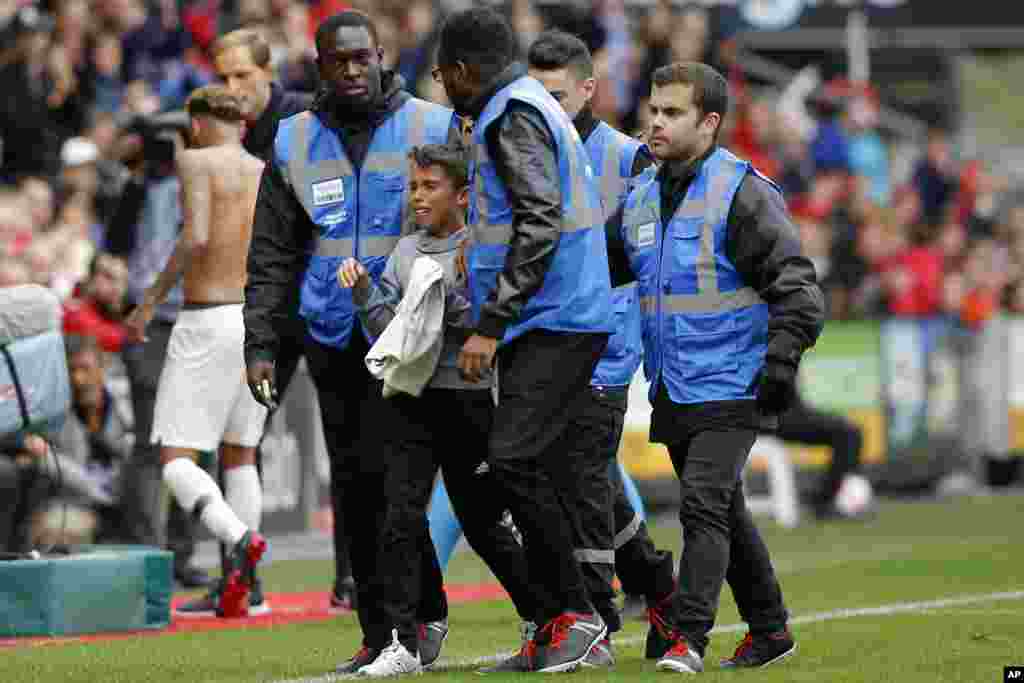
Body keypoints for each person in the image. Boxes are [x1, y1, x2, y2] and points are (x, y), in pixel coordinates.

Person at [242, 10, 458, 670]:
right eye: (339, 61)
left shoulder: (431, 125)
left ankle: (414, 620)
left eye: (363, 57)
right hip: (331, 335)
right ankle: (382, 629)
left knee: (397, 487)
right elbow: (272, 251)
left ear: (383, 55)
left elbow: (466, 220)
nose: (353, 69)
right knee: (357, 488)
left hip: (409, 333)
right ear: (319, 66)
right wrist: (260, 343)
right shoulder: (293, 138)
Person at [604, 62, 825, 673]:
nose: (655, 122)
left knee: (702, 505)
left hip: (734, 382)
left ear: (709, 123)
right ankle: (771, 631)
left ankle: (689, 637)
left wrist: (780, 362)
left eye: (672, 113)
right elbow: (597, 267)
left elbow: (799, 289)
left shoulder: (743, 192)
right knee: (724, 508)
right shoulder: (642, 196)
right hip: (674, 386)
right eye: (653, 109)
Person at [434, 7, 614, 673]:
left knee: (510, 459)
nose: (443, 87)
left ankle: (577, 617)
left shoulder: (511, 113)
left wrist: (490, 322)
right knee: (536, 464)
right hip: (556, 311)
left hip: (555, 314)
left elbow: (538, 220)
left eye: (443, 75)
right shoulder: (528, 105)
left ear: (460, 70)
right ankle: (559, 623)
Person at [336, 143, 539, 677]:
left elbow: (488, 323)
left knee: (482, 523)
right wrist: (362, 296)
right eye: (414, 187)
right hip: (411, 397)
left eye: (431, 187)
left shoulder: (480, 248)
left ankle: (540, 616)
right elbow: (390, 333)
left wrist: (452, 305)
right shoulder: (405, 252)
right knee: (400, 514)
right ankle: (409, 638)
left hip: (467, 398)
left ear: (463, 195)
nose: (419, 197)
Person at [523, 29, 681, 667]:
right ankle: (658, 587)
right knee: (583, 481)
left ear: (589, 89)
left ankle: (592, 625)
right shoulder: (525, 150)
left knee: (579, 484)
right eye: (535, 94)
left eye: (557, 95)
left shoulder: (627, 158)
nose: (546, 107)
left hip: (606, 348)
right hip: (543, 341)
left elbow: (649, 259)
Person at [206, 26, 361, 611]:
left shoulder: (303, 121)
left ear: (268, 73)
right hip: (269, 306)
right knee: (243, 439)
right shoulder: (221, 135)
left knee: (346, 440)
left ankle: (352, 578)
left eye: (242, 75)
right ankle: (240, 578)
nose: (232, 88)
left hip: (320, 303)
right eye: (223, 78)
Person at [125, 86, 269, 619]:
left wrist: (148, 303)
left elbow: (196, 237)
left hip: (207, 317)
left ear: (200, 123)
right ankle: (248, 587)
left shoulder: (195, 161)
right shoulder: (259, 167)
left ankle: (238, 541)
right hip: (255, 320)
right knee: (240, 452)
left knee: (173, 459)